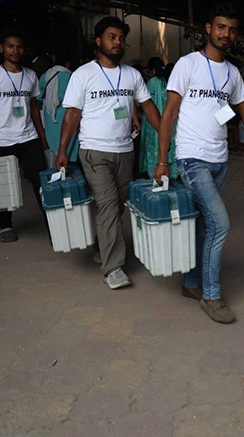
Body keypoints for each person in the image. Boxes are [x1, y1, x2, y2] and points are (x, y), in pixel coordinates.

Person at [155, 3, 244, 324]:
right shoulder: (187, 64)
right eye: (221, 27)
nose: (226, 34)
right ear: (208, 29)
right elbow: (169, 113)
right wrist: (161, 160)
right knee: (220, 224)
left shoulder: (232, 73)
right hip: (192, 158)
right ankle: (211, 295)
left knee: (204, 224)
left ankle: (192, 282)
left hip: (220, 159)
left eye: (232, 29)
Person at [56, 16, 161, 290]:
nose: (118, 42)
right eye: (112, 37)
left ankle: (103, 247)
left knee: (117, 204)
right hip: (93, 150)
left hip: (125, 150)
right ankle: (113, 268)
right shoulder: (83, 74)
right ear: (99, 41)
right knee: (107, 203)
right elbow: (72, 115)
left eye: (121, 38)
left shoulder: (132, 74)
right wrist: (62, 151)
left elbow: (148, 107)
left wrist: (167, 136)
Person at [0, 29, 49, 243]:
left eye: (19, 47)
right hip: (2, 140)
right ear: (2, 49)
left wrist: (43, 138)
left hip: (29, 138)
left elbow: (34, 109)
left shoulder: (30, 75)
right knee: (3, 185)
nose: (15, 50)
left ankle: (51, 224)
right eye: (10, 46)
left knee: (41, 182)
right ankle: (5, 225)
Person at [37, 50, 79, 164]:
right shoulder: (72, 77)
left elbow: (39, 97)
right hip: (67, 117)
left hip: (50, 119)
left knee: (53, 147)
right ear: (68, 63)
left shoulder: (45, 76)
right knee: (70, 146)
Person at [138, 56, 177, 179]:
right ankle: (173, 172)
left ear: (153, 70)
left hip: (153, 122)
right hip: (170, 121)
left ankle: (155, 172)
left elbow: (145, 103)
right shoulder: (168, 81)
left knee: (153, 146)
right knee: (169, 144)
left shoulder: (152, 82)